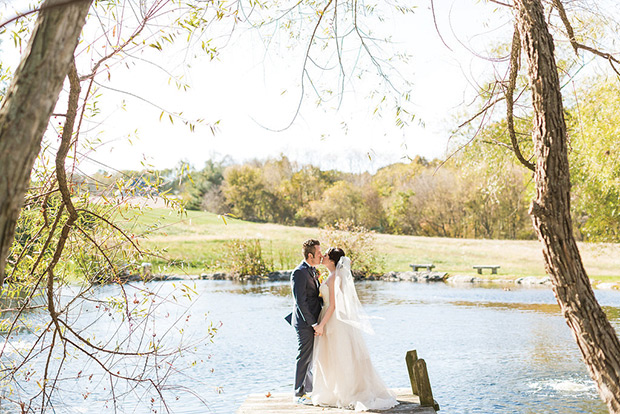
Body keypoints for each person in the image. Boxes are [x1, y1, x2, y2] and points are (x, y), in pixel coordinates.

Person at [311, 247, 398, 411]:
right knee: (331, 356)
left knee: (339, 356)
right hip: (330, 318)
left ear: (332, 261)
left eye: (326, 255)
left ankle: (346, 391)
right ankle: (335, 390)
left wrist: (321, 325)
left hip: (333, 320)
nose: (322, 257)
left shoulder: (335, 278)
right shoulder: (331, 276)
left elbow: (333, 306)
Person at [290, 239, 324, 404]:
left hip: (313, 320)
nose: (321, 255)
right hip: (304, 323)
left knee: (311, 356)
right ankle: (298, 393)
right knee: (304, 356)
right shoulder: (299, 272)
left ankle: (308, 391)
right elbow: (300, 302)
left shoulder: (312, 270)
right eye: (318, 253)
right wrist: (314, 324)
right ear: (310, 255)